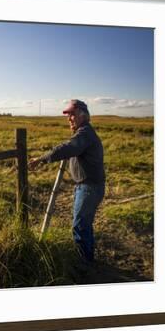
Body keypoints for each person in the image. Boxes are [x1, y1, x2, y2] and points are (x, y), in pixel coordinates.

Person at [28, 99, 105, 263]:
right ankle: (89, 260)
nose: (69, 118)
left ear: (83, 116)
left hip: (89, 188)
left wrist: (41, 159)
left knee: (80, 226)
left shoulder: (85, 133)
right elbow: (71, 147)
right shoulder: (84, 133)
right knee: (84, 225)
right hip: (87, 187)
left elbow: (69, 148)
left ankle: (84, 264)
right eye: (68, 115)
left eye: (72, 114)